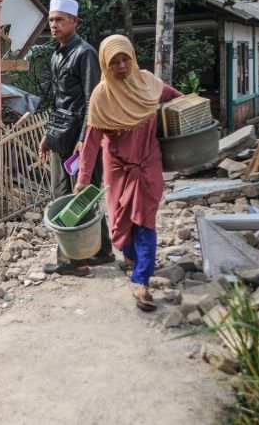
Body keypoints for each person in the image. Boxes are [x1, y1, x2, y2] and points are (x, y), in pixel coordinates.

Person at [74, 34, 182, 311]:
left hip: (148, 164)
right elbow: (91, 143)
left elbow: (175, 98)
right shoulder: (101, 97)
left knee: (145, 221)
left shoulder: (147, 82)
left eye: (126, 60)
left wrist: (197, 111)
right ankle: (131, 257)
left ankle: (142, 282)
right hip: (118, 168)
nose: (122, 67)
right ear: (104, 65)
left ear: (133, 59)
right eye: (114, 62)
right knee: (120, 224)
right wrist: (83, 180)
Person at [38, 0, 114, 277]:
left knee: (77, 196)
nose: (54, 25)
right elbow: (59, 102)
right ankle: (102, 251)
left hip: (81, 137)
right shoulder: (57, 54)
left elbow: (93, 100)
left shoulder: (85, 53)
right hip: (61, 134)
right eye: (51, 20)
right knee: (65, 193)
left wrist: (85, 138)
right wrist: (48, 136)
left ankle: (74, 262)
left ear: (74, 22)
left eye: (59, 20)